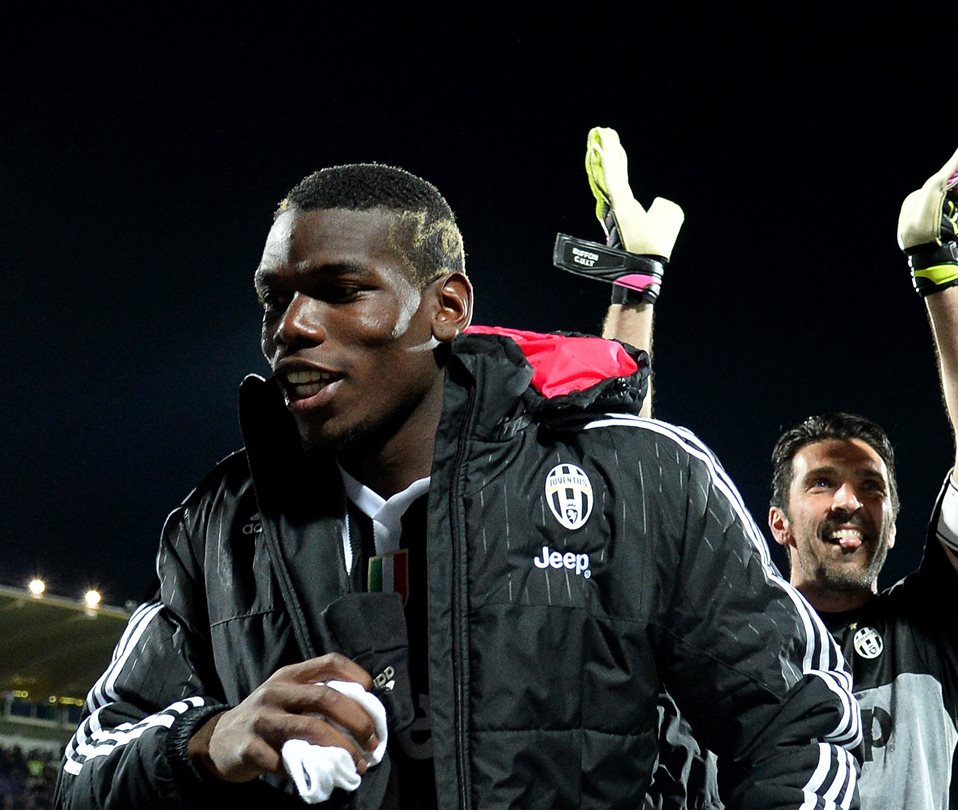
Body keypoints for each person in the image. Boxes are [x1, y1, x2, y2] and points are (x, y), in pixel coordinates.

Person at [52, 160, 863, 809]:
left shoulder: (642, 478)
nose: (290, 327)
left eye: (339, 291)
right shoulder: (220, 526)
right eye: (276, 298)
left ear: (445, 308)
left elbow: (801, 721)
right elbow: (85, 770)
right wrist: (210, 740)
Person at [567, 116, 958, 808]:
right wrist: (634, 287)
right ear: (775, 522)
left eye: (872, 488)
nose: (849, 501)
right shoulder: (706, 640)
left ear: (895, 525)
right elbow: (626, 485)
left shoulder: (934, 634)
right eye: (823, 483)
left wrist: (936, 263)